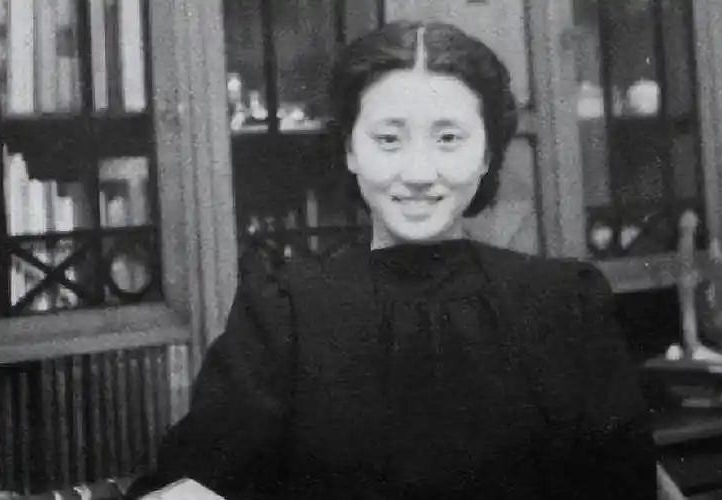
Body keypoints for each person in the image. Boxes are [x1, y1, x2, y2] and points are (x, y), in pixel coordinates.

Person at [128, 20, 656, 499]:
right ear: (350, 150)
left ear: (487, 153)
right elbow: (196, 480)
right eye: (388, 139)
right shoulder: (286, 313)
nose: (419, 172)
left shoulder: (565, 303)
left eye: (448, 138)